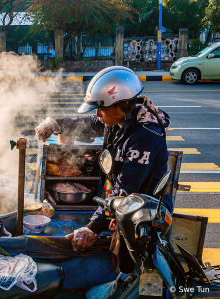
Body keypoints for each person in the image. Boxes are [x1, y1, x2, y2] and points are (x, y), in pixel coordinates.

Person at [35, 66, 172, 271]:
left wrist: (91, 228)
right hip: (125, 207)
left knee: (136, 270)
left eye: (101, 108)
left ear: (124, 104)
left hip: (146, 218)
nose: (97, 114)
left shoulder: (145, 136)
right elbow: (88, 124)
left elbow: (125, 190)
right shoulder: (117, 121)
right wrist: (55, 123)